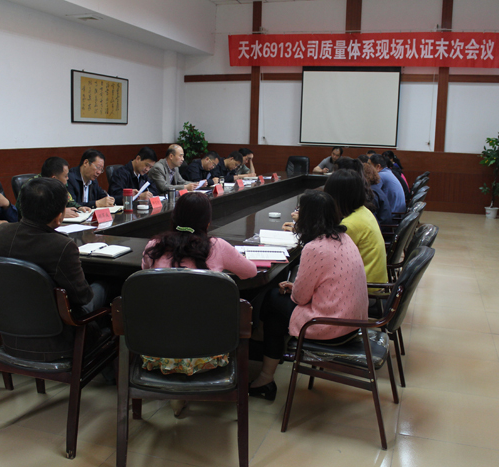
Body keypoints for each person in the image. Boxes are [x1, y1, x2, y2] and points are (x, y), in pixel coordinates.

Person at [142, 192, 257, 414]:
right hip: (209, 350)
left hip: (158, 348)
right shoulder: (217, 246)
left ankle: (176, 393)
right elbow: (250, 272)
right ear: (207, 222)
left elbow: (147, 278)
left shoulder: (154, 245)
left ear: (173, 218)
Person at [249, 190, 369, 400]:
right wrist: (296, 287)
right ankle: (264, 373)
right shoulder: (344, 237)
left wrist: (295, 288)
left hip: (330, 325)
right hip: (354, 321)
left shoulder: (315, 248)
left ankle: (261, 357)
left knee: (272, 300)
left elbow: (300, 298)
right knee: (275, 309)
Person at [0, 177, 110, 362]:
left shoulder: (0, 233)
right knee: (106, 286)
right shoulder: (62, 246)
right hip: (58, 338)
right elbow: (82, 297)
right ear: (59, 216)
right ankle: (106, 354)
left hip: (8, 332)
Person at [323, 170, 387, 289]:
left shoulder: (349, 225)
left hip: (363, 289)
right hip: (373, 283)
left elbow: (327, 260)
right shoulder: (364, 211)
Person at [15, 157, 91, 219]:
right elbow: (31, 214)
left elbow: (68, 200)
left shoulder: (60, 184)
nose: (68, 178)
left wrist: (79, 208)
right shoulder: (32, 187)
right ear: (54, 178)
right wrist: (59, 213)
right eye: (65, 176)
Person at [360, 156, 393, 225]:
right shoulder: (375, 188)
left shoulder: (372, 192)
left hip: (382, 227)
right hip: (383, 223)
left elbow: (370, 217)